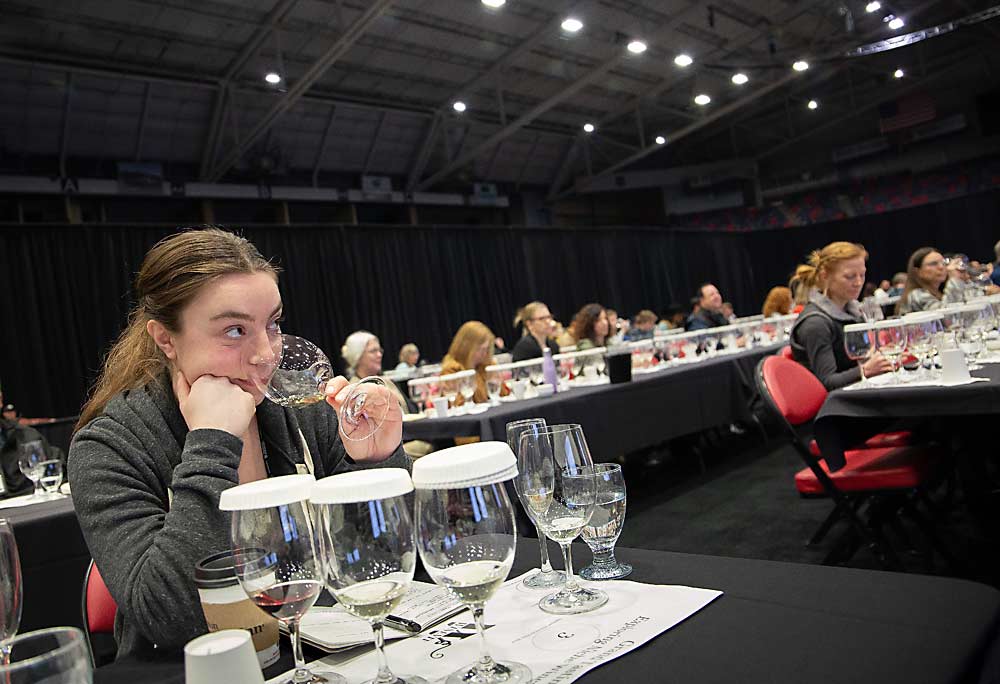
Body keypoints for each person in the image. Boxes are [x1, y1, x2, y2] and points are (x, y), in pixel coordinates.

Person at [67, 228, 410, 661]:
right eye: (234, 330)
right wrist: (212, 445)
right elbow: (170, 616)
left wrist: (375, 462)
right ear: (165, 339)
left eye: (273, 324)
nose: (266, 354)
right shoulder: (109, 445)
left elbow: (378, 560)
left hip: (327, 653)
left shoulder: (299, 405)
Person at [789, 241, 893, 390]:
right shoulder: (815, 323)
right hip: (838, 406)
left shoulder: (853, 311)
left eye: (862, 275)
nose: (858, 282)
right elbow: (827, 382)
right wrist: (866, 369)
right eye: (850, 276)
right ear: (825, 276)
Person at [440, 321, 495, 404]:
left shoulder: (486, 366)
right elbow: (456, 405)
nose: (485, 354)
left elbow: (501, 395)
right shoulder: (451, 372)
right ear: (467, 348)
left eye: (487, 349)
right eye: (481, 349)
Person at [897, 247, 947, 314]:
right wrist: (954, 281)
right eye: (933, 264)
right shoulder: (917, 295)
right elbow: (947, 317)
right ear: (917, 271)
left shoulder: (936, 293)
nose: (941, 267)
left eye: (944, 263)